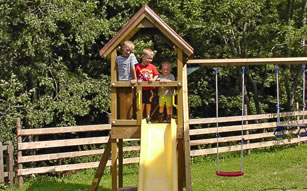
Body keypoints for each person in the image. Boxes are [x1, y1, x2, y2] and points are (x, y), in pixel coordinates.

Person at [135, 48, 159, 123]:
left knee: (148, 103)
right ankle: (141, 116)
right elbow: (135, 76)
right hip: (141, 89)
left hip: (150, 89)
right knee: (141, 103)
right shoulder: (138, 67)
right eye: (148, 58)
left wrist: (154, 80)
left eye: (151, 59)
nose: (149, 60)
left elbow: (156, 75)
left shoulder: (152, 66)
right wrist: (137, 80)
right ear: (143, 57)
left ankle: (148, 117)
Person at [116, 41, 138, 119]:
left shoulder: (131, 56)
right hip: (121, 81)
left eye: (130, 51)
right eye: (127, 50)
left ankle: (132, 116)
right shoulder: (118, 58)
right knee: (121, 99)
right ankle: (121, 117)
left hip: (129, 81)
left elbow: (133, 68)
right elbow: (116, 70)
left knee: (131, 98)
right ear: (123, 48)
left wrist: (135, 79)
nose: (128, 52)